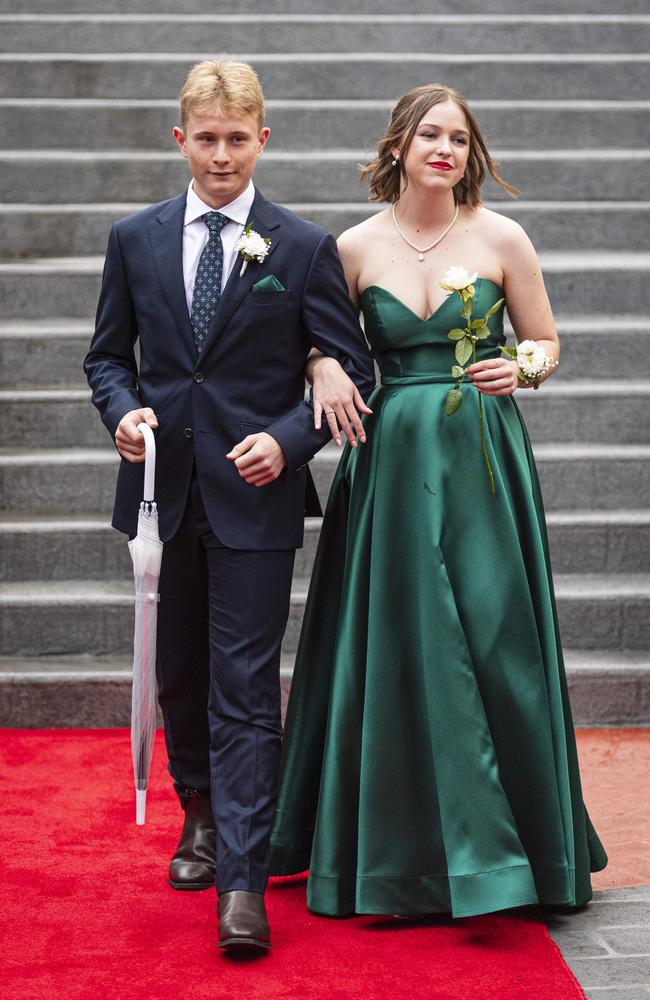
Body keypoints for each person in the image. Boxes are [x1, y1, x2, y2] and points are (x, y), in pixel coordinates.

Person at [270, 83, 607, 918]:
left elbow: (546, 341)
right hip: (387, 471)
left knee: (496, 642)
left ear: (471, 154)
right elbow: (316, 342)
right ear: (399, 147)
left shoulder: (503, 237)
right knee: (396, 646)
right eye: (430, 134)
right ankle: (395, 858)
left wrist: (521, 367)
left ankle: (521, 853)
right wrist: (320, 365)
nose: (445, 149)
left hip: (481, 460)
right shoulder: (350, 248)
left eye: (459, 138)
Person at [84, 58, 375, 951]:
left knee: (246, 686)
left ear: (263, 140)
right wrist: (122, 411)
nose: (221, 156)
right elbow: (107, 356)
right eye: (205, 139)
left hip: (256, 499)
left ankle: (242, 884)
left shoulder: (300, 246)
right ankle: (200, 816)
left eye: (237, 140)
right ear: (181, 140)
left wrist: (290, 439)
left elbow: (350, 368)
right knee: (178, 676)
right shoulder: (135, 239)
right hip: (160, 495)